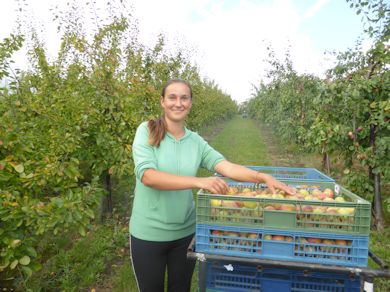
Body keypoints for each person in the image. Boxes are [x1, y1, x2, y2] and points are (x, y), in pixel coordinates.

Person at [129, 78, 295, 292]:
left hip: (185, 233)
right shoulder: (147, 130)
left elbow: (226, 166)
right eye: (172, 97)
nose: (178, 103)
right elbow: (148, 177)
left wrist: (262, 177)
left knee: (181, 289)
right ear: (162, 101)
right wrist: (198, 181)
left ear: (190, 103)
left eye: (184, 98)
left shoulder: (195, 141)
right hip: (148, 234)